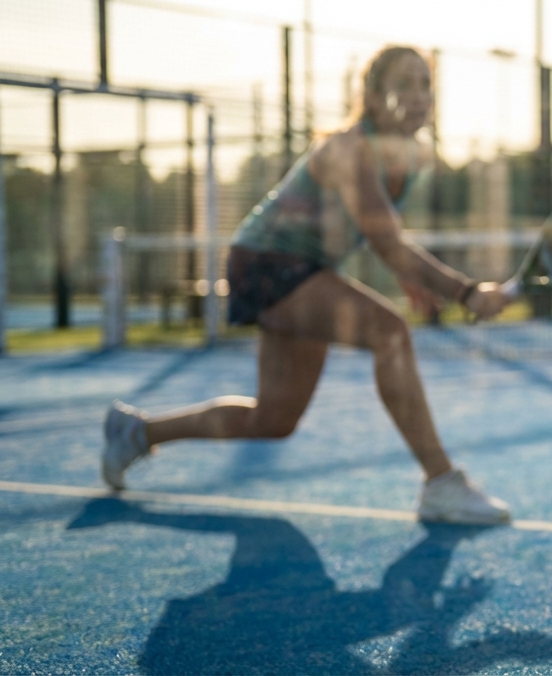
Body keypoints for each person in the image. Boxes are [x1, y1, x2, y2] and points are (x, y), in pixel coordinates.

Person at [100, 45, 513, 525]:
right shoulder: (350, 147)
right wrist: (465, 291)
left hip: (302, 266)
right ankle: (440, 482)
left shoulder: (406, 159)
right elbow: (385, 240)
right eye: (404, 85)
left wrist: (406, 270)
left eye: (426, 85)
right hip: (268, 263)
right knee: (390, 332)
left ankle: (136, 433)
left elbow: (368, 228)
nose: (419, 96)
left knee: (273, 420)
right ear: (374, 96)